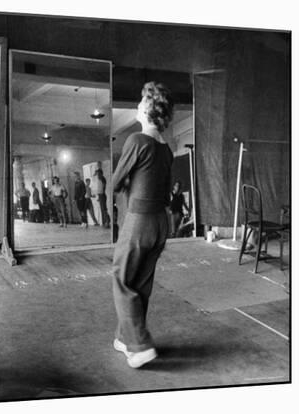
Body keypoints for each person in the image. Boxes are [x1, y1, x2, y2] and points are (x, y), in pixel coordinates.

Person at [111, 81, 174, 369]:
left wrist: (125, 181)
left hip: (140, 221)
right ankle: (127, 339)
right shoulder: (166, 149)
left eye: (140, 101)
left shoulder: (136, 141)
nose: (137, 105)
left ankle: (141, 345)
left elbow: (115, 182)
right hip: (161, 222)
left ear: (148, 108)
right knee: (141, 284)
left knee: (122, 279)